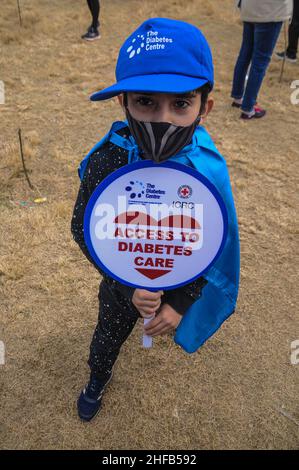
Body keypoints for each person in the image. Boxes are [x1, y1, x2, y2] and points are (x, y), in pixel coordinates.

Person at [71, 18, 240, 422]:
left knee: (161, 321)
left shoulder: (205, 172)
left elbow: (210, 245)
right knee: (108, 335)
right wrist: (126, 284)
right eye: (146, 101)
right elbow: (83, 227)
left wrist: (180, 302)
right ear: (123, 102)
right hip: (119, 286)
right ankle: (97, 376)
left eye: (181, 103)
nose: (163, 118)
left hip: (181, 279)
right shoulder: (108, 161)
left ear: (205, 108)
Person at [231, 0, 293, 119]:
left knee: (245, 54)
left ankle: (238, 98)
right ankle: (248, 108)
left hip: (250, 8)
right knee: (260, 61)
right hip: (269, 11)